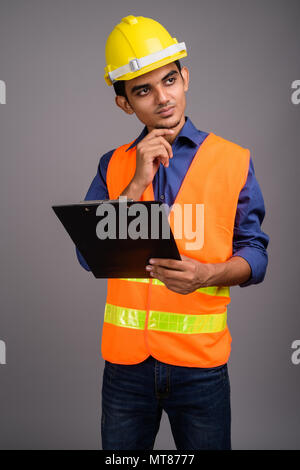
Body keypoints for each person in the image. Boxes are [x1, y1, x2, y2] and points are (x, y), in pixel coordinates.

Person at [75, 15, 269, 450]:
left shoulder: (233, 160)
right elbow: (88, 256)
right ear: (125, 103)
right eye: (143, 90)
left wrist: (207, 275)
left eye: (169, 80)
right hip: (126, 369)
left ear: (186, 77)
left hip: (201, 367)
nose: (162, 99)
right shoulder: (114, 166)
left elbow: (256, 254)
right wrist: (135, 186)